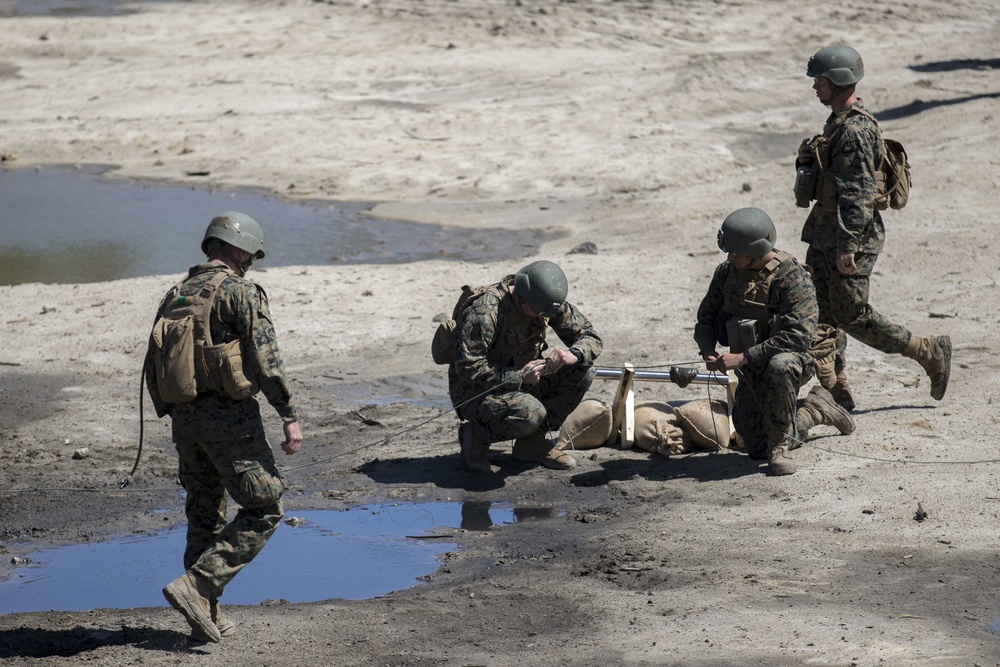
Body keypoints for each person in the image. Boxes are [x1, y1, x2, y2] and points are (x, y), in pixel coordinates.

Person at [144, 211, 303, 642]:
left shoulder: (175, 295)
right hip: (232, 425)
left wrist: (177, 414)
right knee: (266, 506)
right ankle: (198, 587)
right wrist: (288, 415)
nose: (251, 261)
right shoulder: (240, 291)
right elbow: (265, 359)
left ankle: (206, 616)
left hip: (185, 425)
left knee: (204, 515)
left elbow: (153, 365)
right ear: (237, 249)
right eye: (250, 254)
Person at [796, 44, 951, 410]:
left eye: (819, 81)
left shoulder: (854, 132)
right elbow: (837, 182)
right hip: (825, 233)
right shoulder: (838, 123)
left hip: (848, 237)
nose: (814, 87)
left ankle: (926, 351)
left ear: (837, 82)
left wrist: (848, 245)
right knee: (822, 312)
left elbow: (860, 194)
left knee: (851, 313)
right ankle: (836, 386)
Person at [694, 208, 855, 475]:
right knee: (754, 447)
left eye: (736, 253)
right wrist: (708, 349)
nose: (729, 256)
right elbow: (706, 318)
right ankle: (815, 410)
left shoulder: (791, 278)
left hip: (791, 360)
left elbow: (797, 337)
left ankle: (780, 447)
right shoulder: (727, 273)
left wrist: (742, 358)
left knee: (779, 368)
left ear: (756, 251)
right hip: (751, 367)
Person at [448, 260, 602, 473]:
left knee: (583, 369)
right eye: (538, 311)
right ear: (520, 296)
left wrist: (572, 354)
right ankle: (475, 436)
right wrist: (518, 376)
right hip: (478, 392)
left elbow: (590, 336)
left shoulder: (543, 302)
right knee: (531, 412)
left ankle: (532, 442)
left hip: (526, 379)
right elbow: (468, 370)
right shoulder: (485, 311)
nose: (543, 316)